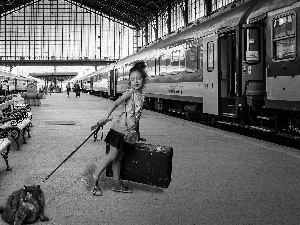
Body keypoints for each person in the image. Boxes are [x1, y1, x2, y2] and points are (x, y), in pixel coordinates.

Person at [83, 61, 147, 196]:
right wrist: (105, 117)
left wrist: (137, 132)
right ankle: (93, 180)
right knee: (112, 155)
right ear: (129, 82)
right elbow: (115, 103)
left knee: (119, 158)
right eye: (132, 79)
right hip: (119, 130)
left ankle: (117, 184)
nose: (135, 81)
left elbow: (136, 117)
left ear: (144, 79)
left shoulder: (141, 97)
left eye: (139, 78)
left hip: (128, 133)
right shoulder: (130, 93)